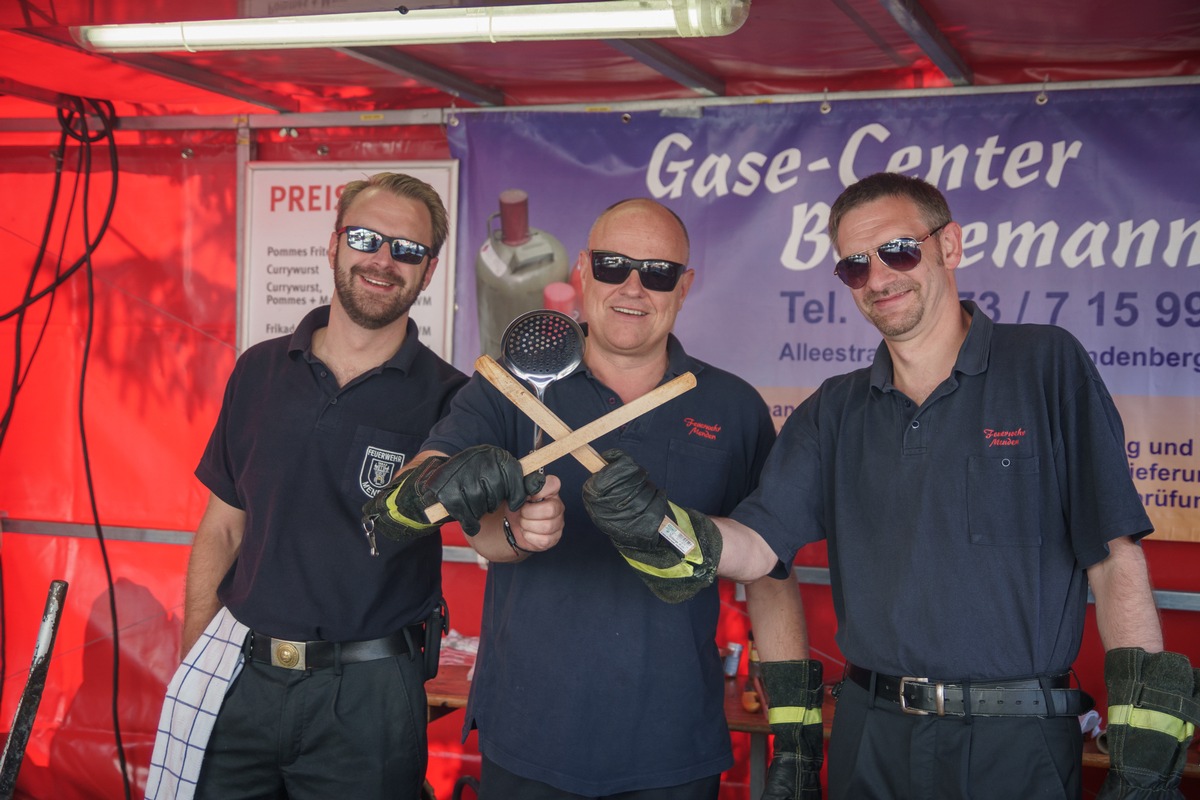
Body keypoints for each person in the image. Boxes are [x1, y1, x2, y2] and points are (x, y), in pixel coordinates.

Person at [581, 173, 1199, 799]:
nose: (877, 278)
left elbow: (1113, 555)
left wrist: (1144, 759)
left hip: (1018, 740)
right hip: (870, 736)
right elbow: (760, 548)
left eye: (897, 251)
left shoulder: (1046, 365)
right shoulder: (834, 409)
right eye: (853, 265)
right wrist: (661, 523)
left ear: (948, 246)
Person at [365, 198, 822, 799]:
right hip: (526, 737)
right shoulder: (511, 383)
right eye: (612, 265)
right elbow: (402, 502)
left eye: (657, 272)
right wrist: (443, 485)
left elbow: (769, 571)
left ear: (685, 286)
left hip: (672, 748)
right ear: (581, 270)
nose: (633, 287)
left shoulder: (731, 407)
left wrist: (796, 738)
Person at [145, 172, 468, 800]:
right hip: (239, 674)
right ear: (334, 244)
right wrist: (196, 664)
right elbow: (223, 526)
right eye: (367, 238)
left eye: (407, 250)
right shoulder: (260, 370)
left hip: (369, 696)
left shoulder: (453, 399)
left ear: (428, 273)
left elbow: (493, 533)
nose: (383, 261)